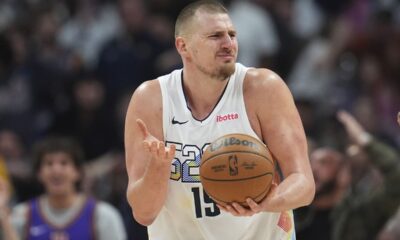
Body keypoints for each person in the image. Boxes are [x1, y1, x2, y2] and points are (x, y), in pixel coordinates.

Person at [124, 1, 315, 239]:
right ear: (183, 46)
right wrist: (158, 168)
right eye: (216, 36)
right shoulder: (151, 100)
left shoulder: (263, 88)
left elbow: (304, 183)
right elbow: (143, 214)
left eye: (232, 35)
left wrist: (265, 202)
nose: (228, 44)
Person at [0, 137, 127, 240]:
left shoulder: (104, 216)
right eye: (49, 163)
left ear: (77, 172)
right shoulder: (21, 215)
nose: (56, 170)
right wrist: (4, 216)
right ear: (39, 173)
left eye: (64, 163)